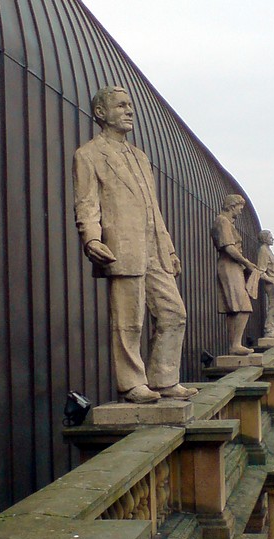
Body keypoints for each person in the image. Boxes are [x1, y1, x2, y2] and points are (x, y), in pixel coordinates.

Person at [73, 85, 197, 404]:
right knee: (129, 321)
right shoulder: (88, 155)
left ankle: (164, 378)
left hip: (153, 247)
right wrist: (91, 238)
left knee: (174, 313)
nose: (129, 111)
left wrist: (168, 248)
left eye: (130, 105)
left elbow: (152, 207)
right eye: (121, 106)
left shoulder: (141, 157)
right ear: (101, 113)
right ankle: (131, 383)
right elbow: (86, 203)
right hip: (122, 247)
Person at [210, 195, 258, 355]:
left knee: (234, 308)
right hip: (229, 265)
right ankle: (236, 344)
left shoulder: (226, 222)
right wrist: (246, 263)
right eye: (239, 207)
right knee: (243, 306)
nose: (240, 211)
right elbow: (229, 248)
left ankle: (235, 345)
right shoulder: (222, 221)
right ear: (232, 206)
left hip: (232, 266)